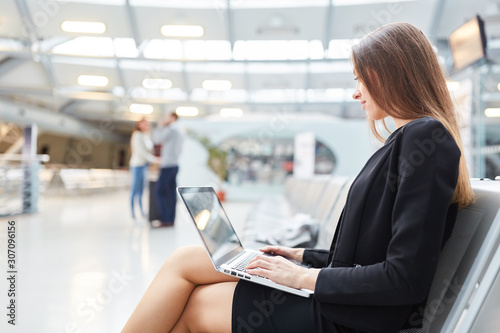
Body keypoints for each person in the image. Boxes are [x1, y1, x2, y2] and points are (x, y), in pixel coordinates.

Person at [122, 22, 475, 333]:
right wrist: (299, 256)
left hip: (353, 318)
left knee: (198, 304)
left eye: (360, 78)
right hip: (345, 301)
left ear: (392, 71)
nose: (356, 93)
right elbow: (365, 254)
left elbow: (404, 278)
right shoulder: (408, 140)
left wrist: (301, 276)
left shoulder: (426, 139)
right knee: (185, 260)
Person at [152, 112, 185, 227]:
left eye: (167, 117)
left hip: (167, 165)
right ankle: (171, 219)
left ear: (172, 117)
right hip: (175, 164)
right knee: (171, 194)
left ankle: (165, 219)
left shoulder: (171, 129)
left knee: (159, 192)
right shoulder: (181, 130)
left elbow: (157, 140)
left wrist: (160, 127)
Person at [129, 118, 157, 221]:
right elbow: (141, 152)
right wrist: (155, 160)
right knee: (134, 189)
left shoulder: (146, 136)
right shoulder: (137, 135)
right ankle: (132, 213)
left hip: (144, 165)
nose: (147, 126)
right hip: (137, 165)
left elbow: (149, 150)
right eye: (144, 124)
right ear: (139, 125)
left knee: (141, 190)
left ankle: (141, 211)